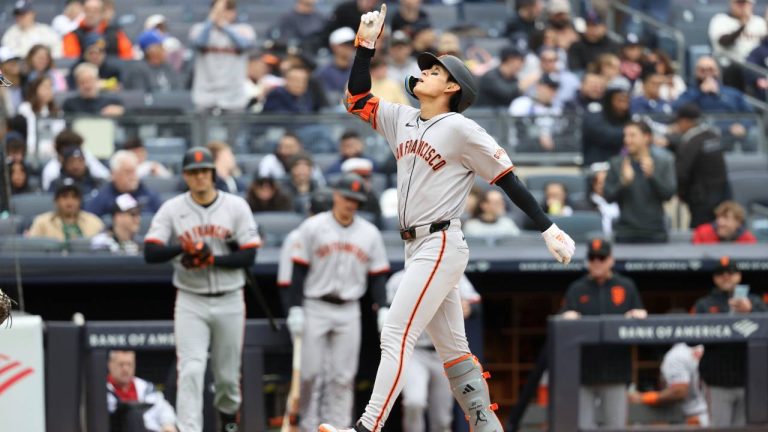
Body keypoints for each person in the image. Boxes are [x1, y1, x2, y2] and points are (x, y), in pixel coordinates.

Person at [320, 6, 576, 432]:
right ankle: (487, 427)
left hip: (439, 242)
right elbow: (357, 99)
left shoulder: (461, 127)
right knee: (455, 352)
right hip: (414, 245)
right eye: (424, 68)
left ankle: (366, 427)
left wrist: (547, 227)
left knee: (395, 333)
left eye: (434, 71)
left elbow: (507, 178)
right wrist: (365, 47)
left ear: (452, 86)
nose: (424, 72)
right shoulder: (401, 117)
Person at [144, 146, 261, 432]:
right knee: (192, 370)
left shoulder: (235, 206)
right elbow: (150, 251)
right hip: (190, 299)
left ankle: (229, 423)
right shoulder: (173, 208)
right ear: (186, 176)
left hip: (230, 298)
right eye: (194, 172)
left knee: (227, 379)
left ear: (212, 173)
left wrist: (212, 259)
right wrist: (181, 247)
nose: (199, 177)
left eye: (204, 171)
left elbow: (249, 255)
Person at [286, 173, 390, 432]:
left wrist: (383, 306)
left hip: (349, 308)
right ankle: (309, 427)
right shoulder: (312, 227)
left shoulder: (369, 233)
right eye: (347, 197)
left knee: (343, 377)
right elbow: (297, 271)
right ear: (335, 195)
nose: (351, 204)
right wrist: (295, 307)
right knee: (310, 374)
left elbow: (378, 275)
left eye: (356, 199)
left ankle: (339, 427)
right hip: (315, 304)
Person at [561, 238, 647, 430]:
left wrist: (638, 315)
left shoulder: (626, 285)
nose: (597, 262)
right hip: (583, 371)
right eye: (593, 257)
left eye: (602, 257)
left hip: (615, 370)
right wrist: (566, 317)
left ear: (611, 260)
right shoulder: (577, 288)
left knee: (615, 426)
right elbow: (562, 320)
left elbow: (640, 314)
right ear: (587, 261)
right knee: (584, 427)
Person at [386, 270, 481, 432]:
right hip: (414, 350)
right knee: (414, 402)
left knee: (442, 418)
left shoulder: (451, 272)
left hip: (443, 352)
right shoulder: (398, 279)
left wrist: (468, 309)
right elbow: (385, 315)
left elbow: (475, 305)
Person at [691, 256, 767, 427]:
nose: (726, 276)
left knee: (748, 428)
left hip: (750, 380)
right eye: (721, 274)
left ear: (738, 276)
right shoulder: (704, 304)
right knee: (720, 427)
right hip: (717, 380)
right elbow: (689, 338)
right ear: (715, 278)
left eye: (731, 273)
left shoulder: (754, 301)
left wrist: (751, 310)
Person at [604, 121, 676, 243]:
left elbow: (668, 194)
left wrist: (652, 176)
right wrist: (623, 183)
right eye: (625, 136)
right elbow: (608, 197)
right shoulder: (617, 163)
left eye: (632, 135)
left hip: (655, 232)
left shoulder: (664, 161)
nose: (627, 140)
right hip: (625, 232)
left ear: (646, 137)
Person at [671, 104, 730, 228]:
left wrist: (681, 193)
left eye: (678, 122)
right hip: (722, 195)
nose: (677, 125)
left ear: (685, 121)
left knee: (701, 234)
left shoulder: (690, 142)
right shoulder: (713, 136)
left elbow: (681, 173)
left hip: (700, 200)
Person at [189, 0, 255, 111]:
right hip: (205, 94)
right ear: (211, 11)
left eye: (228, 10)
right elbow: (199, 43)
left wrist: (224, 26)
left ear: (234, 12)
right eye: (219, 11)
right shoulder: (199, 29)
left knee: (236, 127)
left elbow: (243, 45)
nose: (222, 14)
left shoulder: (244, 29)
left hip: (234, 94)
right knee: (202, 127)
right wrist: (211, 20)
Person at [628, 342, 709, 426]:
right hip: (706, 412)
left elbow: (679, 391)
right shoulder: (697, 348)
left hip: (694, 417)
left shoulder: (676, 355)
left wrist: (645, 398)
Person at [106, 350, 177, 432]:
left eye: (129, 364)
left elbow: (164, 409)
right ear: (110, 365)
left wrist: (168, 424)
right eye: (121, 365)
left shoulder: (146, 387)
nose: (125, 369)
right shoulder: (102, 390)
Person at [708, 0, 766, 90]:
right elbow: (725, 42)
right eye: (739, 3)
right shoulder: (720, 20)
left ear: (751, 5)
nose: (742, 6)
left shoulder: (759, 22)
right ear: (731, 3)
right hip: (729, 66)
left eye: (745, 3)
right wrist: (743, 25)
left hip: (755, 68)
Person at [85, 150, 162, 217]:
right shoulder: (102, 198)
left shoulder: (149, 195)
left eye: (134, 171)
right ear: (114, 174)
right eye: (128, 172)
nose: (133, 177)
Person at [28, 181, 104, 241]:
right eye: (64, 197)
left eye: (74, 197)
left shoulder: (94, 222)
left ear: (80, 201)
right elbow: (31, 248)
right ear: (56, 201)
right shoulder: (42, 222)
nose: (70, 202)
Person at [581, 77, 632, 166]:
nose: (623, 106)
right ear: (609, 100)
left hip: (622, 166)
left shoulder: (629, 117)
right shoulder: (594, 113)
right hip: (596, 165)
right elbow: (606, 135)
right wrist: (631, 133)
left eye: (626, 101)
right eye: (619, 100)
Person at [16, 74, 65, 162]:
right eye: (45, 87)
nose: (49, 91)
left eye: (51, 87)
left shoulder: (57, 111)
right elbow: (29, 133)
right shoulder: (25, 108)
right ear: (35, 89)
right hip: (32, 152)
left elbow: (59, 133)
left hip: (53, 153)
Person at [41, 128, 110, 191]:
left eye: (77, 147)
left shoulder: (85, 155)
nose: (76, 165)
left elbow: (106, 176)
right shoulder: (51, 170)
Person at [62, 0, 133, 59]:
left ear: (102, 13)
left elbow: (127, 59)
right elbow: (71, 60)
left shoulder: (116, 33)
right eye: (88, 10)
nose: (91, 14)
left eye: (95, 10)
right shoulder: (73, 35)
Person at [258, 132, 326, 185]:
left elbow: (320, 183)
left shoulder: (308, 162)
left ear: (299, 147)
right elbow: (262, 182)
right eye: (281, 147)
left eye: (289, 147)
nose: (284, 151)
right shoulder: (270, 160)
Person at [315, 27, 357, 98]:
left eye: (352, 43)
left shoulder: (360, 68)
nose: (350, 47)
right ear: (334, 46)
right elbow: (326, 99)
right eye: (346, 44)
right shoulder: (323, 72)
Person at [692, 201, 757, 244]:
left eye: (726, 218)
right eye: (718, 217)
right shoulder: (703, 233)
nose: (720, 222)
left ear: (738, 222)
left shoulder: (747, 240)